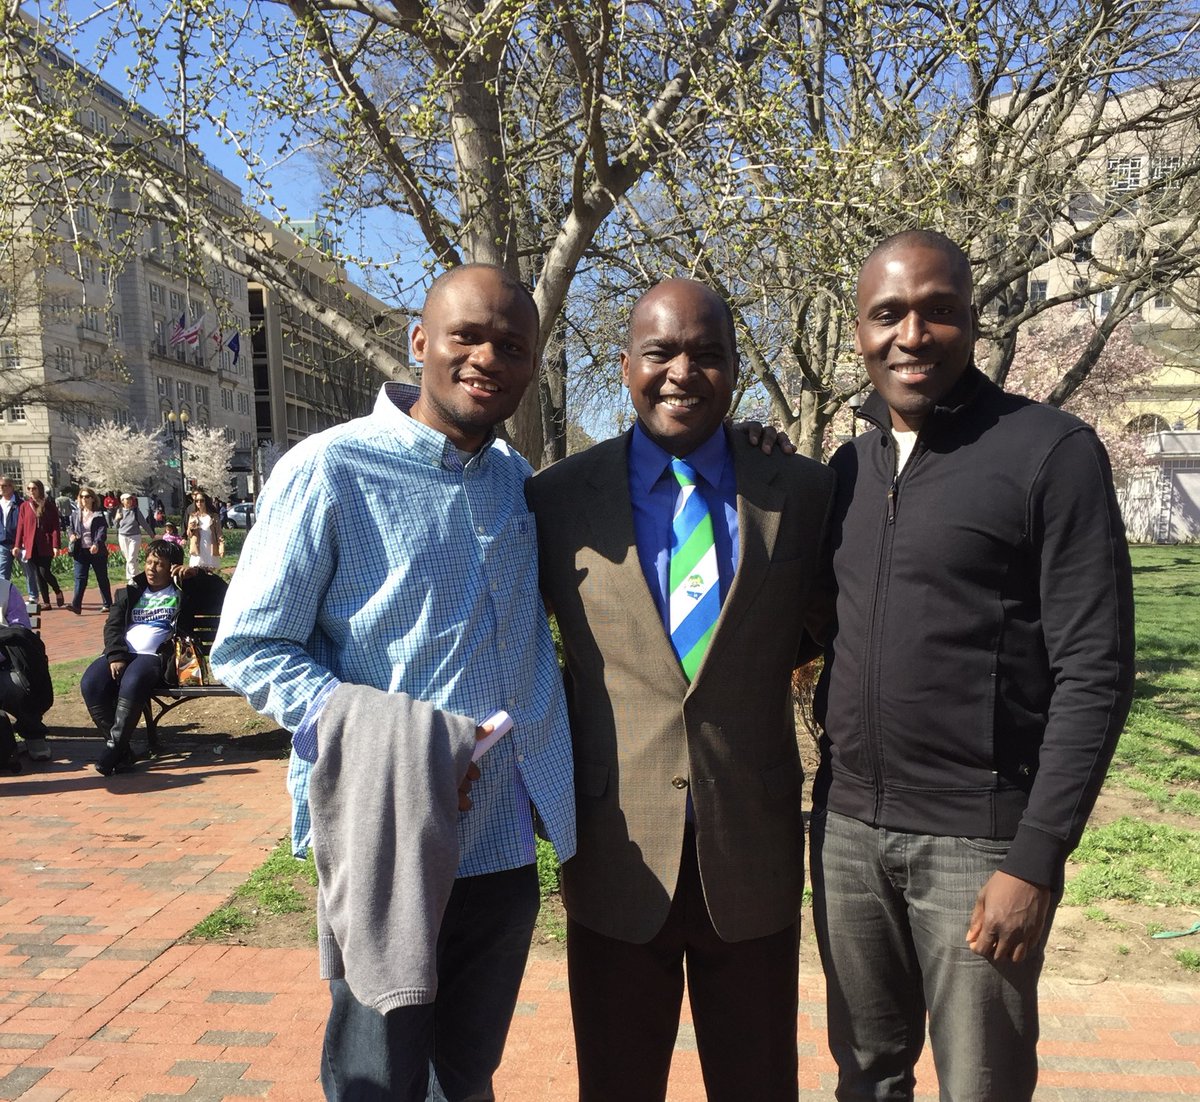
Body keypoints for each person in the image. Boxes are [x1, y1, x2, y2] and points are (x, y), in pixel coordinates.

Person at [210, 263, 576, 1102]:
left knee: (466, 1077)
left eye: (511, 346)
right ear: (420, 342)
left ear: (531, 365)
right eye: (467, 336)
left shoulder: (516, 481)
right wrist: (397, 745)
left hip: (503, 838)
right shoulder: (329, 469)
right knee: (377, 1076)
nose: (487, 358)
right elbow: (251, 646)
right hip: (386, 833)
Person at [809, 230, 1135, 1101]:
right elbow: (813, 621)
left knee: (981, 1088)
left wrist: (1035, 858)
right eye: (888, 314)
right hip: (846, 833)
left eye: (939, 311)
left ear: (974, 321)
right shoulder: (848, 467)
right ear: (859, 330)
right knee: (866, 1079)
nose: (912, 335)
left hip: (978, 843)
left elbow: (1097, 670)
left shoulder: (1050, 452)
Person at [526, 278, 837, 1102]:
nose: (682, 373)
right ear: (625, 364)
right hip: (615, 848)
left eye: (707, 354)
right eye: (661, 352)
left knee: (759, 1085)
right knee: (617, 1086)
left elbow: (821, 623)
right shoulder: (556, 499)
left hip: (752, 848)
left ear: (735, 367)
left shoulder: (800, 493)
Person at [80, 538, 209, 776]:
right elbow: (112, 627)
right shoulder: (129, 592)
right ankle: (122, 751)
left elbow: (221, 593)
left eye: (159, 564)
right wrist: (116, 655)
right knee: (91, 682)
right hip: (123, 653)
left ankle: (112, 751)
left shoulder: (184, 592)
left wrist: (196, 575)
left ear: (172, 568)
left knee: (133, 680)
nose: (151, 568)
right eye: (149, 562)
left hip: (155, 656)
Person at [0, 576, 53, 764]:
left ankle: (32, 732)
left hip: (5, 664)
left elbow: (20, 631)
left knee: (21, 686)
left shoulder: (5, 589)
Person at [15, 480, 64, 609]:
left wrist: (55, 545)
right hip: (31, 545)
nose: (31, 491)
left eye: (34, 488)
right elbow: (20, 526)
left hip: (45, 544)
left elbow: (55, 527)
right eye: (29, 488)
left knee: (44, 572)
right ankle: (46, 602)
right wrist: (17, 545)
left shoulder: (49, 506)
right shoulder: (25, 506)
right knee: (38, 574)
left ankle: (57, 591)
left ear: (40, 489)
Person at [67, 487, 114, 614]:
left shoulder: (98, 514)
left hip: (96, 551)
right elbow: (70, 528)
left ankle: (107, 604)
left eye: (87, 496)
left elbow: (102, 531)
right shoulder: (76, 514)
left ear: (93, 499)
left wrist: (96, 543)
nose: (84, 499)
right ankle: (76, 605)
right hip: (80, 550)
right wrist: (71, 535)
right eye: (82, 496)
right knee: (80, 578)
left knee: (101, 577)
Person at [114, 493, 156, 587]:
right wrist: (117, 519)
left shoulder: (136, 511)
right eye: (127, 499)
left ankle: (133, 578)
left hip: (135, 536)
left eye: (130, 499)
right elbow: (115, 525)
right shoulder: (119, 511)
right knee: (129, 559)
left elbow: (144, 523)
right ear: (122, 501)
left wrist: (151, 534)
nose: (129, 501)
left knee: (132, 558)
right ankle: (135, 577)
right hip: (123, 536)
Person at [186, 491, 224, 569]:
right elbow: (189, 535)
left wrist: (221, 546)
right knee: (196, 571)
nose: (199, 503)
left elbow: (219, 533)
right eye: (197, 501)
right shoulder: (193, 516)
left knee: (211, 572)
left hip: (210, 548)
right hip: (198, 549)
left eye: (202, 500)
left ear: (206, 501)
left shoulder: (213, 516)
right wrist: (191, 528)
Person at [0, 477, 21, 581]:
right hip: (3, 543)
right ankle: (3, 592)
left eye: (4, 485)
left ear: (12, 487)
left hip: (20, 544)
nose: (1, 488)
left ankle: (33, 593)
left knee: (29, 573)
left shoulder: (20, 504)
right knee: (2, 575)